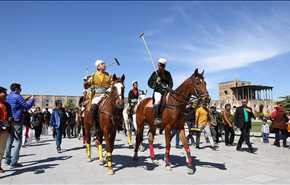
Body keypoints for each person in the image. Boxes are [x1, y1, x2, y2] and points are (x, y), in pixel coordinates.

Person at [5, 83, 34, 168]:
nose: (21, 90)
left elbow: (16, 105)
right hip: (17, 120)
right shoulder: (18, 96)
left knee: (9, 140)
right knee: (18, 141)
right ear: (17, 89)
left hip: (9, 121)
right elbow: (27, 107)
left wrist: (25, 99)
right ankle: (14, 162)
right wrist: (31, 100)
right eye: (20, 88)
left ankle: (7, 160)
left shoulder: (8, 96)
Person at [84, 59, 112, 141]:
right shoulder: (93, 76)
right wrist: (87, 82)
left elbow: (112, 84)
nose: (105, 65)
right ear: (98, 67)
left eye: (105, 64)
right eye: (103, 64)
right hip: (97, 95)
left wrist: (109, 90)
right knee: (93, 107)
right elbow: (86, 86)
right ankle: (94, 125)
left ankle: (118, 123)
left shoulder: (109, 75)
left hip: (107, 95)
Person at [148, 58, 173, 126]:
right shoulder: (155, 73)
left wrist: (169, 88)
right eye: (160, 65)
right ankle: (157, 118)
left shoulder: (168, 74)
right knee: (158, 101)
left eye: (162, 66)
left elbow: (171, 83)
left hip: (166, 91)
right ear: (158, 65)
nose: (161, 67)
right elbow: (149, 83)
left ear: (164, 66)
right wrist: (155, 83)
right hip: (158, 91)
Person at [0, 87, 12, 173]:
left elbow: (10, 115)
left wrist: (10, 119)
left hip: (5, 129)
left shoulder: (7, 105)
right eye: (4, 93)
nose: (6, 95)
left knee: (1, 149)